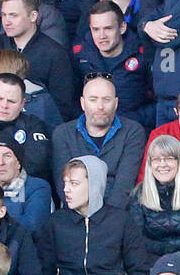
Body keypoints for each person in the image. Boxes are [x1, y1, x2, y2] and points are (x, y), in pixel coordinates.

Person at [37, 156, 150, 275]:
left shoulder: (121, 221)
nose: (66, 189)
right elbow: (45, 270)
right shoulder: (55, 223)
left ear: (94, 185)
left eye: (74, 184)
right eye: (65, 183)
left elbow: (139, 270)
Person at [0, 0, 76, 121]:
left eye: (13, 15)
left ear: (33, 16)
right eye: (4, 15)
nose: (6, 21)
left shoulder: (54, 53)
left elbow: (61, 107)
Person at [50, 76, 148, 210]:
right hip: (75, 213)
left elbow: (124, 186)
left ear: (116, 103)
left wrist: (102, 220)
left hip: (118, 214)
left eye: (106, 100)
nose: (100, 106)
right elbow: (64, 187)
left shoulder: (133, 132)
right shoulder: (62, 134)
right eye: (93, 100)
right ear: (82, 103)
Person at [128, 135, 180, 263]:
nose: (162, 164)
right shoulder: (139, 194)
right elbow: (137, 238)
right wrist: (166, 258)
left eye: (169, 158)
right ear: (150, 164)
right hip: (153, 263)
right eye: (156, 159)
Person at [72, 1, 152, 130]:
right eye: (96, 29)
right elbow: (70, 99)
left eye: (108, 28)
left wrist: (134, 120)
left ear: (122, 28)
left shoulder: (142, 54)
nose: (101, 36)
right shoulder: (79, 54)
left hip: (134, 130)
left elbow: (158, 99)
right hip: (91, 132)